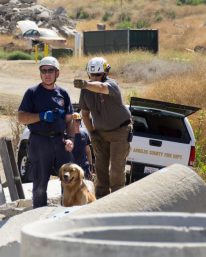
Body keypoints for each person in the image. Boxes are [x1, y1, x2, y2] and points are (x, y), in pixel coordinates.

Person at [17, 56, 74, 208]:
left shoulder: (63, 94)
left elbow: (69, 120)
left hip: (60, 142)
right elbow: (21, 117)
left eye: (50, 70)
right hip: (39, 142)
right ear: (40, 73)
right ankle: (39, 215)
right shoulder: (32, 92)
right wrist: (41, 116)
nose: (47, 74)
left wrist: (71, 139)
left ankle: (66, 213)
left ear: (57, 73)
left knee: (68, 181)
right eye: (44, 70)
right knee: (40, 183)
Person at [73, 57, 132, 198]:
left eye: (97, 75)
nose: (94, 78)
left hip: (120, 131)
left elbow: (101, 88)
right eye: (92, 75)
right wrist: (92, 134)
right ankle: (100, 200)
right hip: (100, 133)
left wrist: (86, 84)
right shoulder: (86, 90)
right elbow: (85, 114)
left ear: (105, 73)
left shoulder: (111, 85)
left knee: (116, 171)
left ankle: (117, 201)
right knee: (100, 170)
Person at [71, 112, 93, 180]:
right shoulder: (66, 135)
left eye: (78, 120)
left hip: (84, 167)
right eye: (75, 121)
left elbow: (88, 151)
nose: (77, 122)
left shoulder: (84, 134)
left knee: (85, 188)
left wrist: (90, 165)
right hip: (71, 168)